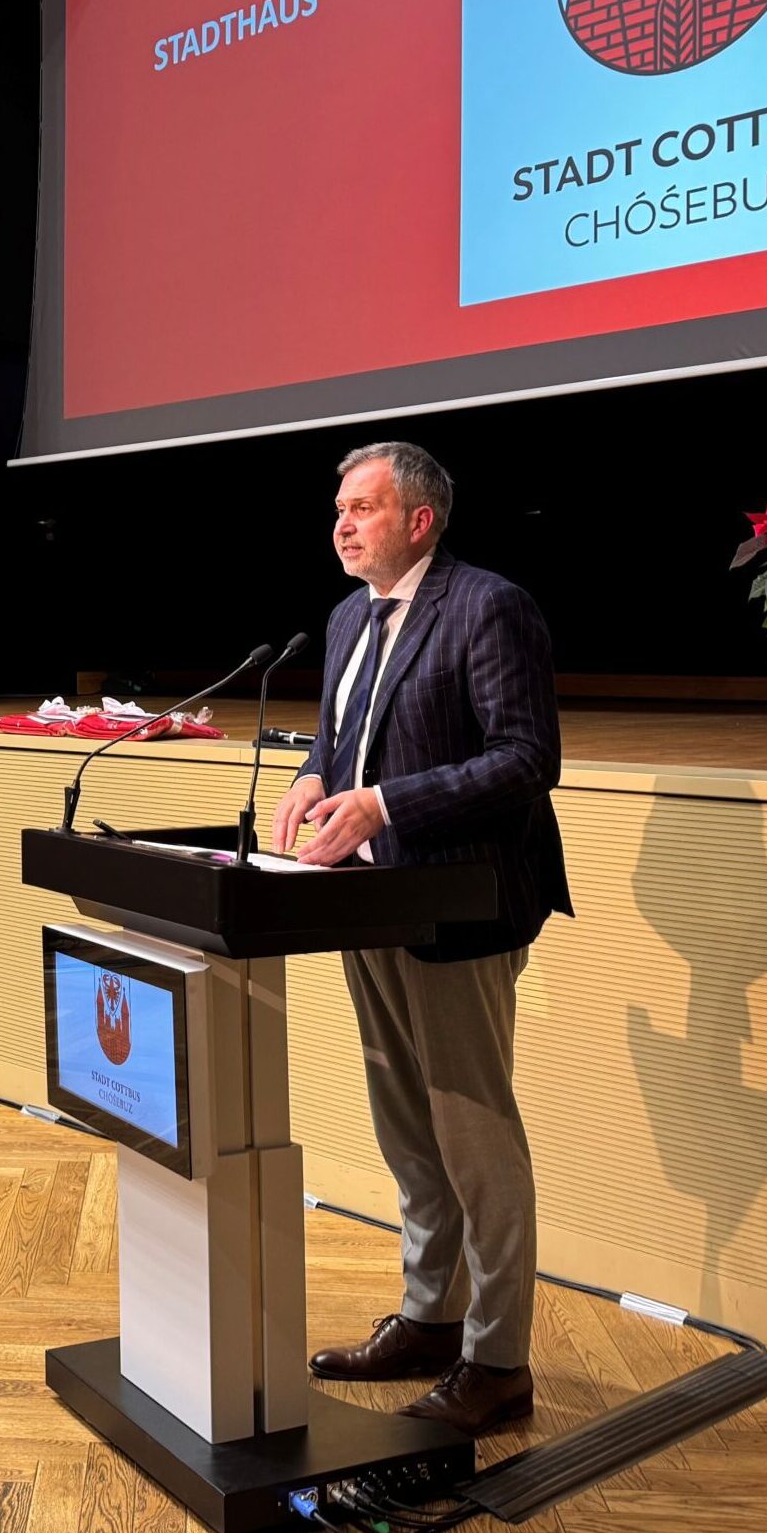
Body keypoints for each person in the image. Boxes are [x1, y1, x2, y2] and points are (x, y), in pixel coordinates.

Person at [272, 442, 571, 1439]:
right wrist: (315, 777)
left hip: (462, 903)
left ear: (419, 519)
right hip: (369, 901)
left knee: (473, 1135)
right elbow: (341, 742)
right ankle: (431, 1317)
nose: (342, 525)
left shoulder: (487, 606)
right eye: (338, 509)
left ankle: (499, 1360)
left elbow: (526, 759)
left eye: (362, 507)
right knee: (406, 1125)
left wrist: (385, 803)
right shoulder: (347, 617)